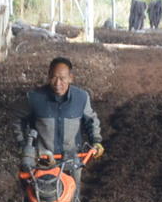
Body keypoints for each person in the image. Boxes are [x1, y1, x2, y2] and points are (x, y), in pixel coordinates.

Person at [15, 57, 104, 193]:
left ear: (70, 78)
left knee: (71, 199)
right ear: (48, 77)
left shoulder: (81, 98)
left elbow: (91, 121)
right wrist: (23, 145)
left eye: (62, 78)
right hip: (42, 161)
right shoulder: (34, 98)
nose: (57, 83)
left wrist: (96, 142)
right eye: (53, 78)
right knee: (38, 197)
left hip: (71, 160)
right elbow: (18, 120)